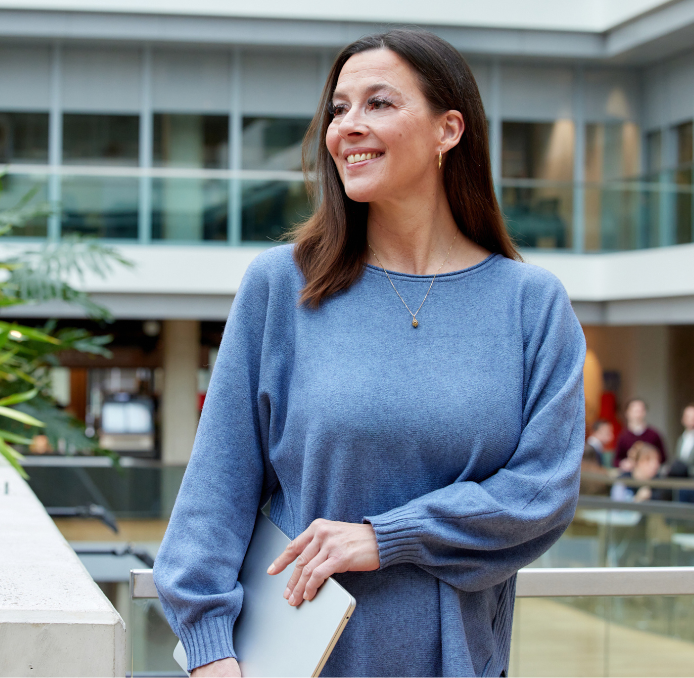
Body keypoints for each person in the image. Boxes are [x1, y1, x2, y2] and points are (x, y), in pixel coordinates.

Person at [153, 29, 586, 678]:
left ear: (448, 130)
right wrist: (209, 649)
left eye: (378, 103)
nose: (347, 126)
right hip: (297, 661)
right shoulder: (282, 286)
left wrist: (385, 538)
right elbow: (217, 487)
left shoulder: (531, 303)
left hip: (461, 663)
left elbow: (542, 493)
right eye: (338, 109)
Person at [614, 399, 666, 469]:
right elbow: (616, 460)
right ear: (627, 413)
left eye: (640, 411)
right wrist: (624, 463)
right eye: (635, 411)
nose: (638, 415)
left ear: (645, 412)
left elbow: (663, 458)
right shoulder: (623, 436)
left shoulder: (654, 435)